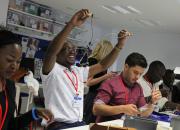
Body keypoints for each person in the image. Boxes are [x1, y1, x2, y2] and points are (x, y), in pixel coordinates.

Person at [41, 9, 131, 130]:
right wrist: (71, 25)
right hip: (59, 125)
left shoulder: (77, 70)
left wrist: (119, 45)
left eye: (74, 48)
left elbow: (102, 65)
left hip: (78, 123)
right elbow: (51, 52)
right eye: (68, 48)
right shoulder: (52, 69)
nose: (73, 51)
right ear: (58, 53)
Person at [0, 29, 53, 130]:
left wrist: (34, 113)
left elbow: (10, 125)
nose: (14, 66)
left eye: (18, 61)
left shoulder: (9, 87)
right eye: (9, 60)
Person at [93, 52, 161, 122]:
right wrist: (122, 108)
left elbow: (142, 113)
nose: (137, 77)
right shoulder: (110, 83)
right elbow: (96, 109)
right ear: (126, 67)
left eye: (140, 74)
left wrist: (152, 103)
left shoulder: (138, 87)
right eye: (135, 72)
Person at [83, 40, 116, 124]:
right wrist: (106, 76)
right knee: (88, 121)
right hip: (91, 95)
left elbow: (100, 81)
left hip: (97, 96)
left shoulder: (103, 66)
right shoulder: (93, 61)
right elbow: (89, 83)